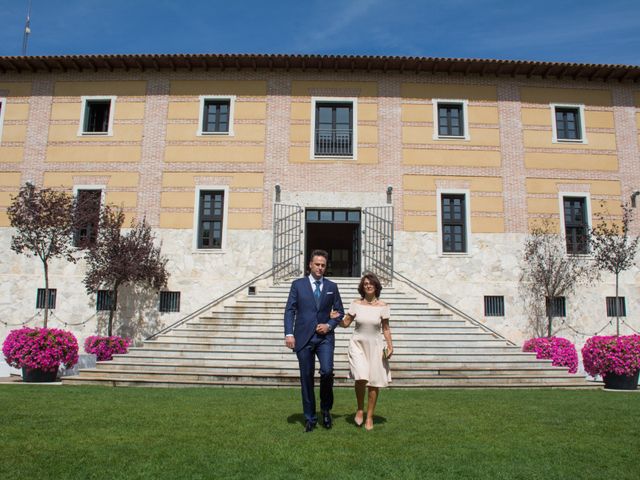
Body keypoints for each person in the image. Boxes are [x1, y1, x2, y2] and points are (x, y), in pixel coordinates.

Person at [284, 249, 344, 432]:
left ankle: (325, 410)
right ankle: (310, 418)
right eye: (317, 264)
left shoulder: (332, 287)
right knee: (306, 378)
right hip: (303, 338)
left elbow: (340, 312)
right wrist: (289, 334)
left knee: (327, 372)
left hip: (324, 338)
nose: (320, 268)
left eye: (323, 265)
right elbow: (290, 310)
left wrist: (330, 325)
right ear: (310, 264)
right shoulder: (298, 285)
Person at [338, 272, 393, 430]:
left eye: (371, 283)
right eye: (365, 283)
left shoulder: (383, 306)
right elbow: (346, 323)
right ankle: (360, 409)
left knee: (373, 382)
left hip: (375, 346)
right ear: (362, 287)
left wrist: (390, 346)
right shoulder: (356, 304)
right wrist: (336, 318)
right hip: (357, 344)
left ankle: (369, 416)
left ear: (376, 286)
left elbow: (386, 328)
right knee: (360, 377)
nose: (368, 285)